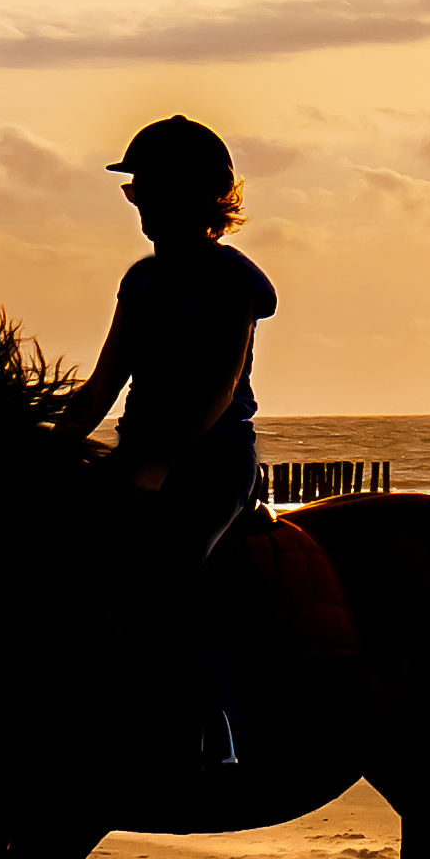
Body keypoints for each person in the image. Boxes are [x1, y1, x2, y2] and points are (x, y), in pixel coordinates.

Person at [67, 117, 274, 760]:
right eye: (135, 191)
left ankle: (219, 727)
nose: (141, 205)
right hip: (139, 454)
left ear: (201, 193)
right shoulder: (143, 281)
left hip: (212, 457)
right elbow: (103, 385)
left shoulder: (232, 279)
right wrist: (53, 440)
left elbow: (218, 386)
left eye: (151, 189)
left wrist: (163, 461)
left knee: (175, 561)